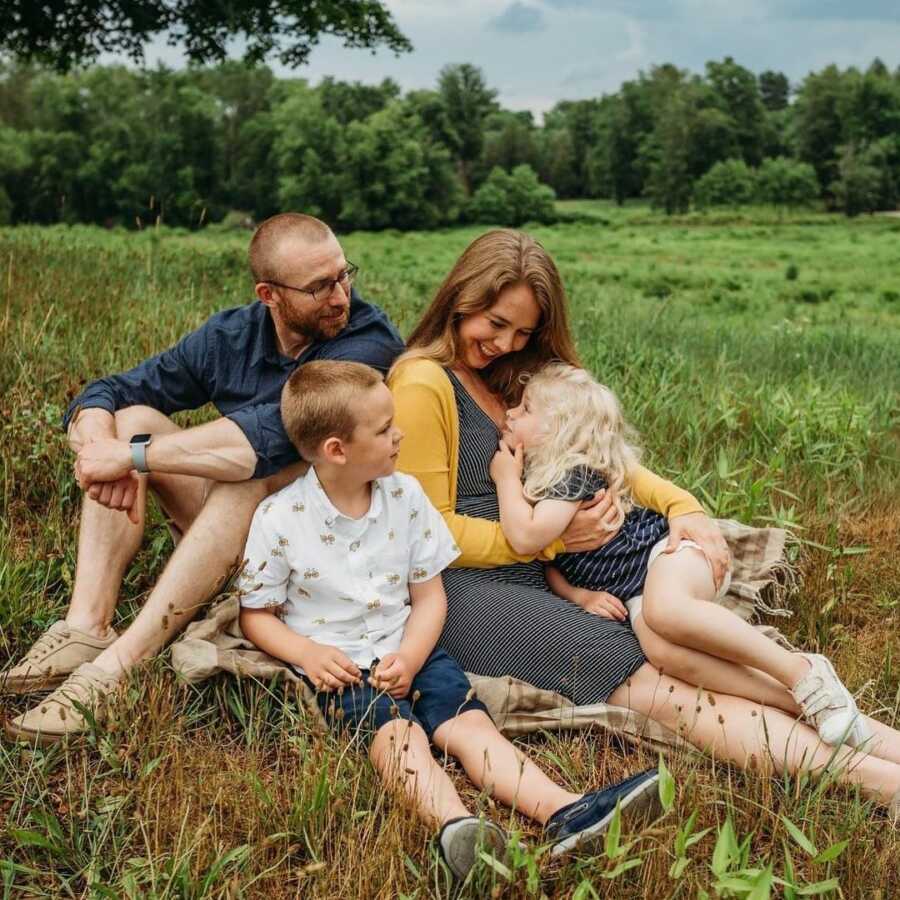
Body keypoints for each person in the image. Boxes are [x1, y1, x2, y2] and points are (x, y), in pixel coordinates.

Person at [388, 228, 900, 815]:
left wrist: (685, 508)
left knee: (674, 652)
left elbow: (608, 461)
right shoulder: (423, 381)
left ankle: (853, 724)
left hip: (547, 572)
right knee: (662, 690)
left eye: (524, 331)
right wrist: (549, 546)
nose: (506, 343)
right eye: (495, 323)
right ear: (460, 298)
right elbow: (425, 532)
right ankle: (874, 780)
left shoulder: (513, 376)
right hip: (470, 590)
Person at [237, 360, 664, 879]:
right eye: (384, 429)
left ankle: (565, 809)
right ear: (336, 450)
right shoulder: (280, 520)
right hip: (340, 666)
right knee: (396, 735)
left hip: (411, 644)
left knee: (470, 723)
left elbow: (430, 597)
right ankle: (456, 828)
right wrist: (306, 654)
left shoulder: (406, 498)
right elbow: (255, 617)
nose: (399, 435)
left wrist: (413, 655)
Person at [3, 213, 405, 745]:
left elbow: (265, 439)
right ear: (269, 294)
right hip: (237, 531)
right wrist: (100, 441)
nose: (340, 296)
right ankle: (86, 626)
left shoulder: (366, 341)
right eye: (319, 287)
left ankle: (119, 668)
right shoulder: (231, 335)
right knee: (134, 419)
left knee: (244, 473)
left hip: (319, 548)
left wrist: (132, 459)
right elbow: (114, 388)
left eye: (343, 274)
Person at [488, 361, 867, 747]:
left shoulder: (570, 474)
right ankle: (796, 701)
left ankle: (801, 669)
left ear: (559, 430)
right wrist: (579, 596)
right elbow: (548, 562)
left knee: (665, 609)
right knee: (662, 652)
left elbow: (526, 538)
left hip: (666, 554)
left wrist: (503, 478)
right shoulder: (537, 484)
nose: (511, 413)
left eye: (526, 409)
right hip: (637, 591)